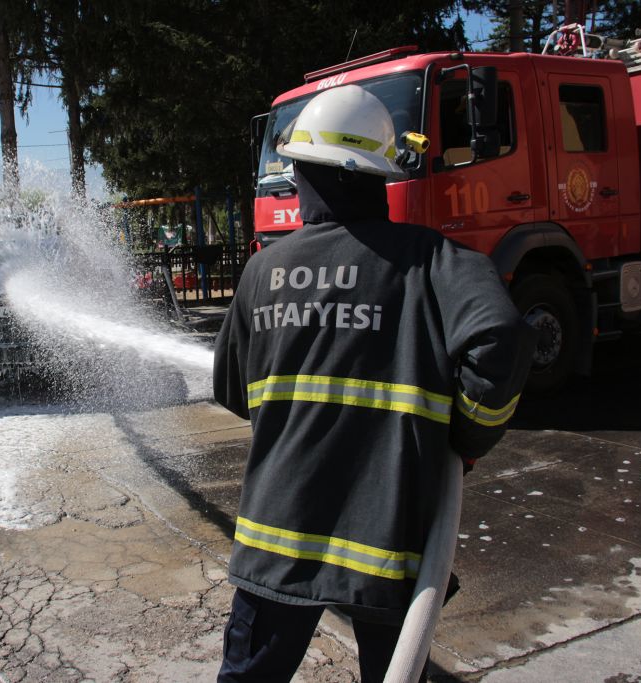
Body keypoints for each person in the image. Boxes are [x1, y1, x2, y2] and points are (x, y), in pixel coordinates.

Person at [213, 85, 537, 682]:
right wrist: (463, 439)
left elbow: (234, 391)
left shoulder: (262, 272)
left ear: (308, 175)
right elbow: (504, 339)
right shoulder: (434, 261)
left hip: (275, 536)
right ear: (376, 176)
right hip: (384, 541)